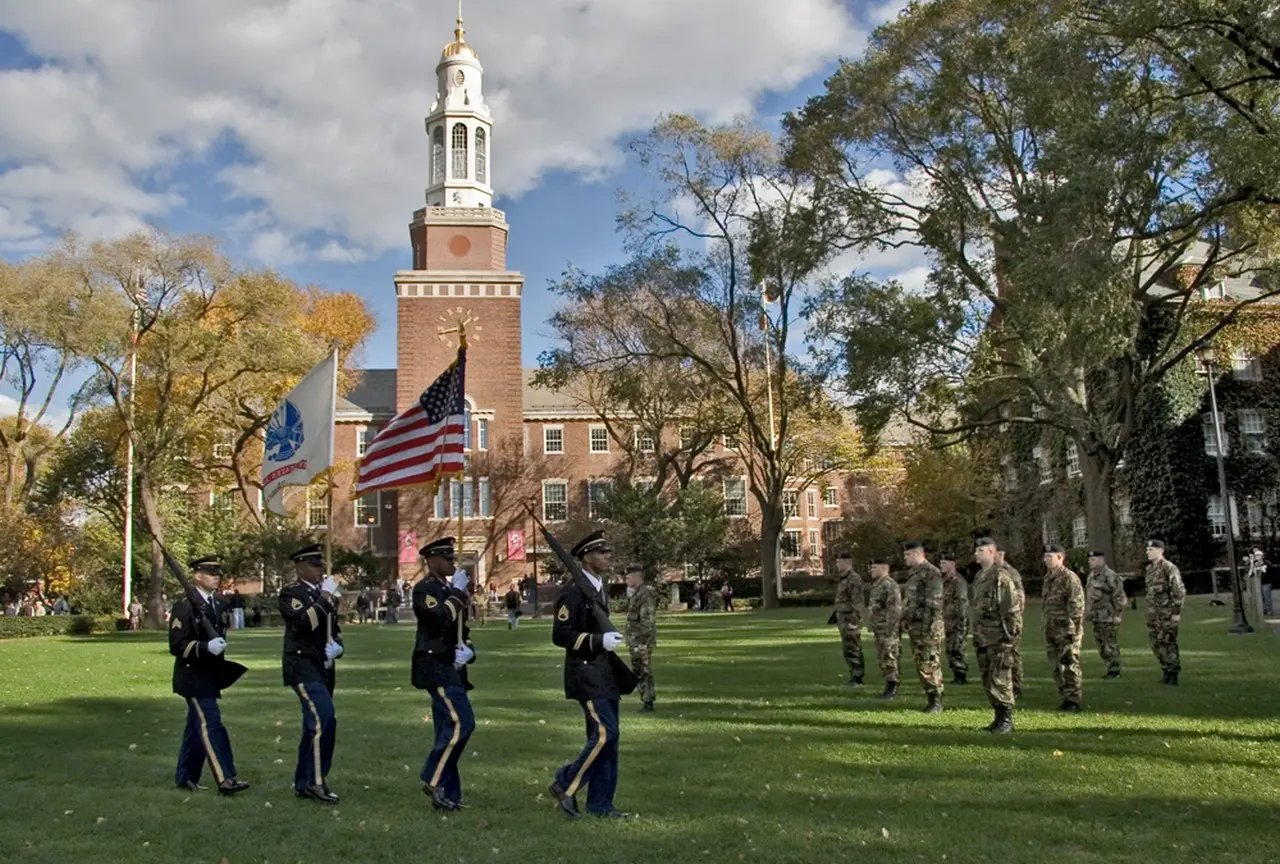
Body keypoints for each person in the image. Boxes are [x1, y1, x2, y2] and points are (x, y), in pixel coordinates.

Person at [548, 530, 633, 819]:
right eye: (602, 551)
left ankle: (601, 805)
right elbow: (560, 634)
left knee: (608, 740)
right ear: (586, 557)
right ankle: (565, 782)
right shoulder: (574, 591)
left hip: (604, 672)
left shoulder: (597, 588)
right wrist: (598, 641)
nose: (609, 555)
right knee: (605, 734)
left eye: (609, 550)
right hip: (586, 673)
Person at [168, 556, 249, 795]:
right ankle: (226, 778)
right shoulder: (184, 606)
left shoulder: (218, 604)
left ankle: (185, 778)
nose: (216, 577)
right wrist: (205, 648)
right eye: (210, 572)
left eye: (217, 573)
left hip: (210, 675)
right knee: (211, 723)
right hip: (192, 676)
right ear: (197, 576)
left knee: (196, 728)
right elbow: (177, 645)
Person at [412, 537, 477, 811]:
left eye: (452, 557)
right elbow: (440, 618)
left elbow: (462, 630)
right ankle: (432, 776)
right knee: (462, 723)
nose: (452, 562)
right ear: (432, 561)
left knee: (446, 728)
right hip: (435, 666)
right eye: (447, 558)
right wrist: (459, 594)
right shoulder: (424, 589)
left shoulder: (449, 589)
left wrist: (469, 651)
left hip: (451, 664)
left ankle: (449, 794)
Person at [279, 544, 344, 803]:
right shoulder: (290, 594)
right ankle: (316, 782)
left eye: (321, 565)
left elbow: (334, 629)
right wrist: (324, 598)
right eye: (314, 565)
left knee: (314, 725)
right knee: (324, 719)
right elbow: (303, 622)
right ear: (300, 567)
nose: (320, 570)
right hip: (301, 665)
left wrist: (338, 647)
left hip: (323, 666)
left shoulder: (326, 595)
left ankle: (303, 782)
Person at [971, 538, 1021, 734]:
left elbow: (1011, 610)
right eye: (976, 550)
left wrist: (1010, 638)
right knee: (988, 678)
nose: (976, 553)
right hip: (983, 637)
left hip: (998, 637)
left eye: (981, 550)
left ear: (991, 553)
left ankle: (1007, 719)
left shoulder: (1000, 577)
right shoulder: (980, 576)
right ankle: (998, 717)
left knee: (1000, 678)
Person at [900, 541, 946, 713]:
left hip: (928, 628)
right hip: (916, 627)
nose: (905, 558)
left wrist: (928, 628)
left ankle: (936, 700)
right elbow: (910, 601)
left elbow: (934, 603)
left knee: (930, 663)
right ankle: (931, 697)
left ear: (918, 554)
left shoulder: (931, 573)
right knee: (922, 663)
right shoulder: (914, 574)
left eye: (908, 555)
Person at [1041, 545, 1085, 712]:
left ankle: (1073, 700)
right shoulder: (1048, 578)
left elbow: (1077, 606)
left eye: (1050, 556)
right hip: (1051, 629)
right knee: (1055, 665)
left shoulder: (1069, 578)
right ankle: (1064, 697)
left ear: (1060, 558)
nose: (1046, 559)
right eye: (1045, 556)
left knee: (1069, 664)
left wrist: (1074, 631)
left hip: (1066, 630)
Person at [1143, 539, 1186, 685]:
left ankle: (1173, 672)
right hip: (1152, 614)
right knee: (1155, 643)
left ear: (1160, 551)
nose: (1147, 552)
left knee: (1168, 642)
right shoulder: (1149, 570)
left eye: (1151, 550)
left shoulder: (1169, 568)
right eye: (1147, 550)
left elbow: (1178, 591)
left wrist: (1176, 612)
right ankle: (1165, 669)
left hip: (1166, 613)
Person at [1084, 550, 1127, 679]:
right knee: (1101, 644)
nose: (1090, 562)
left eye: (1093, 560)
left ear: (1101, 560)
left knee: (1109, 643)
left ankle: (1114, 670)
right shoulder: (1092, 576)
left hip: (1108, 616)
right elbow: (1090, 596)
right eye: (1090, 560)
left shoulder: (1110, 576)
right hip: (1096, 617)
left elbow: (1119, 596)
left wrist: (1118, 615)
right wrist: (1088, 612)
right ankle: (1109, 668)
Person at [866, 557, 902, 700]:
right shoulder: (877, 585)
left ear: (883, 568)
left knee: (890, 657)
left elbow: (894, 610)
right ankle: (888, 683)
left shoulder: (889, 585)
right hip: (879, 629)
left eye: (874, 568)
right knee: (883, 658)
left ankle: (892, 686)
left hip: (888, 630)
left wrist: (890, 631)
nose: (871, 571)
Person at [625, 563, 658, 712]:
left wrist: (644, 641)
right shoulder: (637, 593)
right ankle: (645, 698)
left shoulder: (645, 593)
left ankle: (648, 701)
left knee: (644, 670)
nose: (626, 580)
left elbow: (647, 618)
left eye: (628, 577)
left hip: (641, 640)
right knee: (638, 669)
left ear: (636, 577)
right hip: (635, 639)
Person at [994, 544, 1026, 697]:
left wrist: (1015, 620)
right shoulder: (990, 572)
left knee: (1013, 653)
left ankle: (1017, 685)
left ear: (1001, 554)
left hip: (1011, 619)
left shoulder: (1011, 573)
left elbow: (1019, 597)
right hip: (996, 621)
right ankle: (1002, 684)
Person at [832, 552, 865, 687]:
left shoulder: (854, 579)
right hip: (843, 619)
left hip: (850, 619)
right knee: (847, 648)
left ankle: (858, 676)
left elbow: (857, 602)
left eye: (839, 562)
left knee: (853, 647)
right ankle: (853, 674)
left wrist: (854, 621)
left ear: (847, 563)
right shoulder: (844, 579)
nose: (837, 565)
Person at [940, 553, 969, 684]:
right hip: (946, 620)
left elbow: (961, 603)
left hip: (957, 621)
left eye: (944, 563)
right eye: (941, 563)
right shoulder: (944, 581)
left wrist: (958, 621)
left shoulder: (958, 581)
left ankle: (961, 674)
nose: (942, 566)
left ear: (952, 564)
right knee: (949, 648)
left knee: (957, 647)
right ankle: (955, 672)